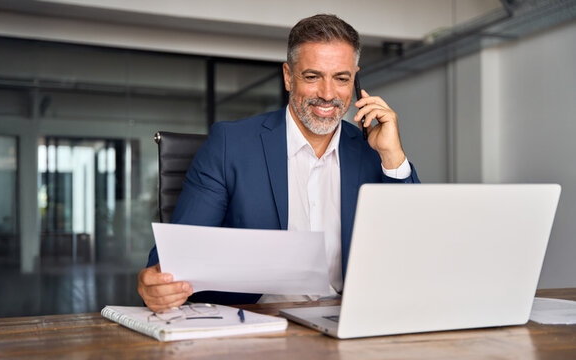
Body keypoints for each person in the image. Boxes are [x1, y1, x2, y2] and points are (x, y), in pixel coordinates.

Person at [138, 14, 420, 312]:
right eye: (312, 77)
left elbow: (414, 249)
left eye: (341, 78)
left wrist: (393, 157)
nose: (327, 94)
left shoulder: (371, 149)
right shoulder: (230, 144)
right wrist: (155, 283)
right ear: (288, 76)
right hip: (256, 324)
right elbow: (176, 258)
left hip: (348, 321)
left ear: (355, 78)